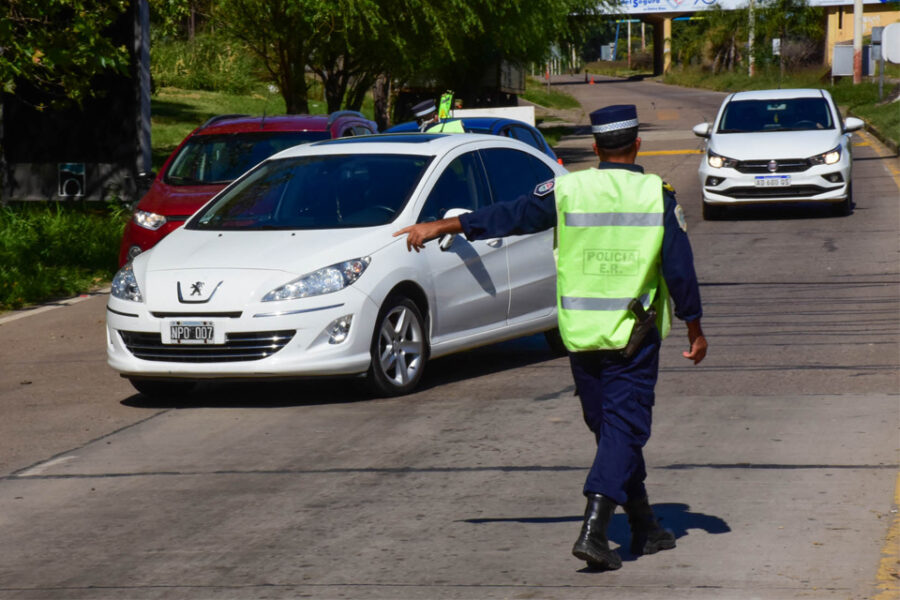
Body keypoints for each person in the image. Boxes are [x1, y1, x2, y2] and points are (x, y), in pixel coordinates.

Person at [393, 104, 708, 571]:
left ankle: (645, 526)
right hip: (632, 335)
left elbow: (512, 215)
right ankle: (594, 532)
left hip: (580, 336)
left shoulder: (568, 188)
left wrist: (444, 224)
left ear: (596, 147)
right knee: (622, 431)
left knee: (613, 432)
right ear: (637, 145)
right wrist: (694, 326)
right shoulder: (654, 195)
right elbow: (679, 268)